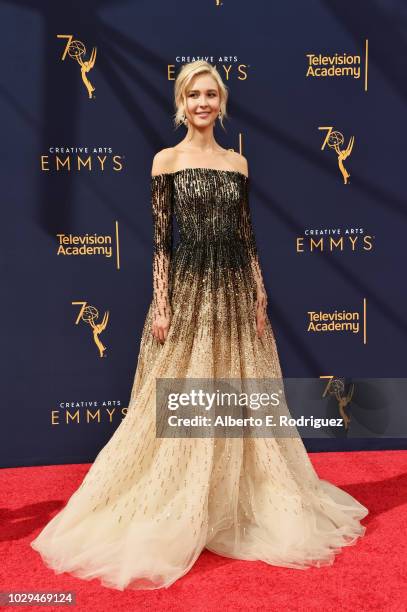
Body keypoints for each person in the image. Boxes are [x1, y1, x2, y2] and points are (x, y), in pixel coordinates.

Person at [30, 60, 368, 591]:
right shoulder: (166, 160)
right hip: (189, 289)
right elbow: (163, 242)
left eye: (211, 94)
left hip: (235, 289)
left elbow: (248, 235)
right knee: (179, 394)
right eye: (194, 95)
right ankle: (180, 498)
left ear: (222, 102)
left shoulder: (239, 163)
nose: (203, 103)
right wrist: (161, 303)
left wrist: (260, 288)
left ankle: (228, 498)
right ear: (181, 103)